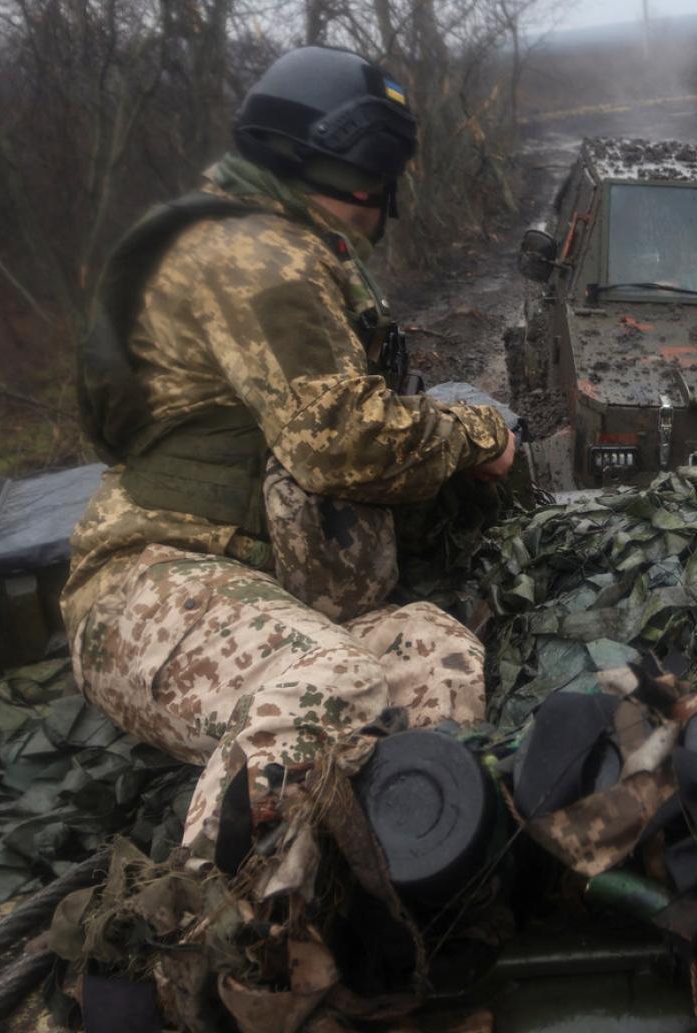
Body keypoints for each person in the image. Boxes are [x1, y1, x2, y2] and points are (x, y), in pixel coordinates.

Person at [61, 45, 516, 867]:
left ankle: (401, 900)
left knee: (432, 650)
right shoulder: (255, 254)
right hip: (153, 581)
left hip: (259, 590)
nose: (385, 206)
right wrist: (479, 436)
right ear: (352, 168)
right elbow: (342, 441)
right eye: (380, 180)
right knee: (335, 681)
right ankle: (199, 944)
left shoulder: (269, 244)